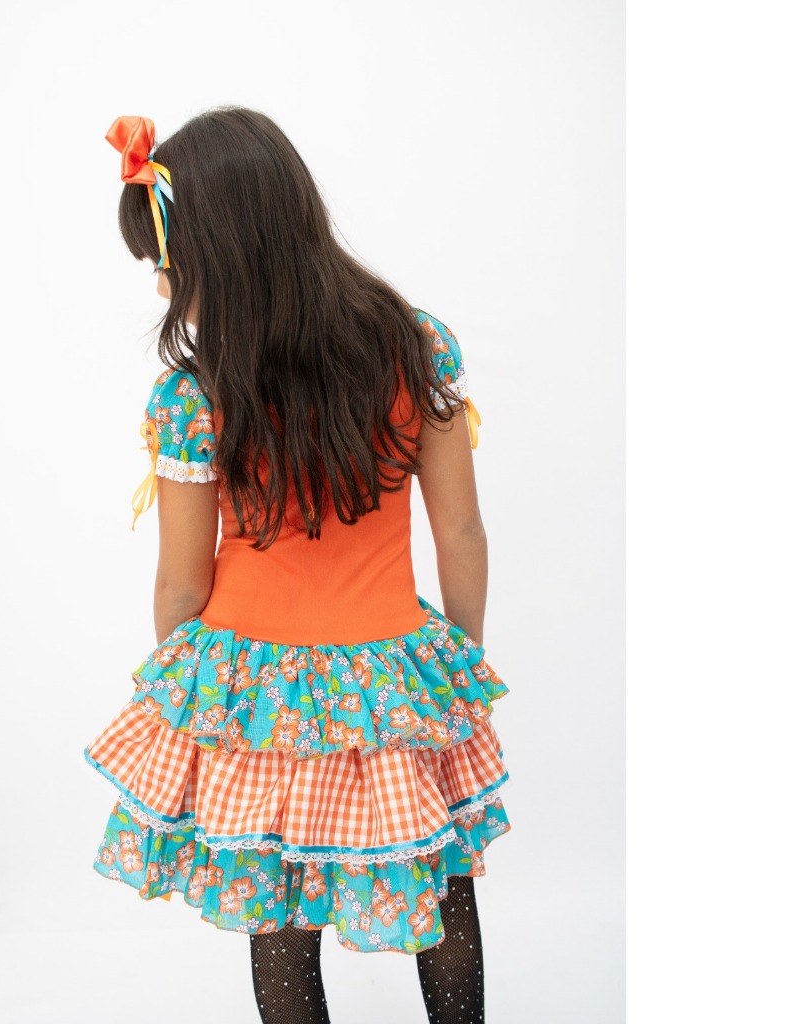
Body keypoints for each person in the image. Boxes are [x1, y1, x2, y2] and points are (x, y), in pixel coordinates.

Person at [84, 107, 512, 1024]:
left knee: (276, 911)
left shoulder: (196, 397)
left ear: (227, 254)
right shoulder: (416, 347)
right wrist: (458, 665)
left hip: (257, 691)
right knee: (441, 884)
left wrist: (194, 704)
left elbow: (183, 582)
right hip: (391, 678)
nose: (161, 286)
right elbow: (462, 533)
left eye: (170, 263)